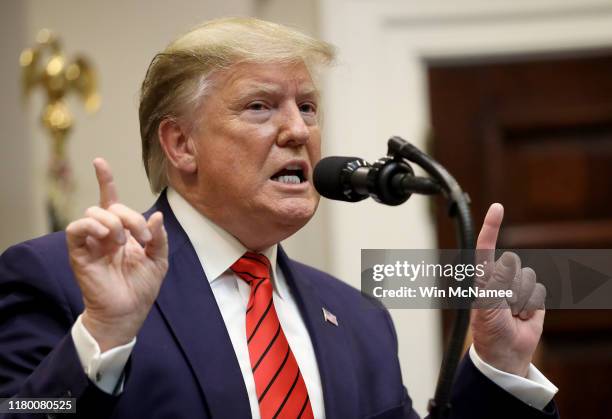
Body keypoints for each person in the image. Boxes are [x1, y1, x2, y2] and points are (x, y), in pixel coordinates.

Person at [0, 17, 559, 418]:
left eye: (308, 107)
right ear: (181, 144)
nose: (298, 131)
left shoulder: (358, 319)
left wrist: (500, 367)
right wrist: (103, 334)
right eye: (260, 106)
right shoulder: (61, 280)